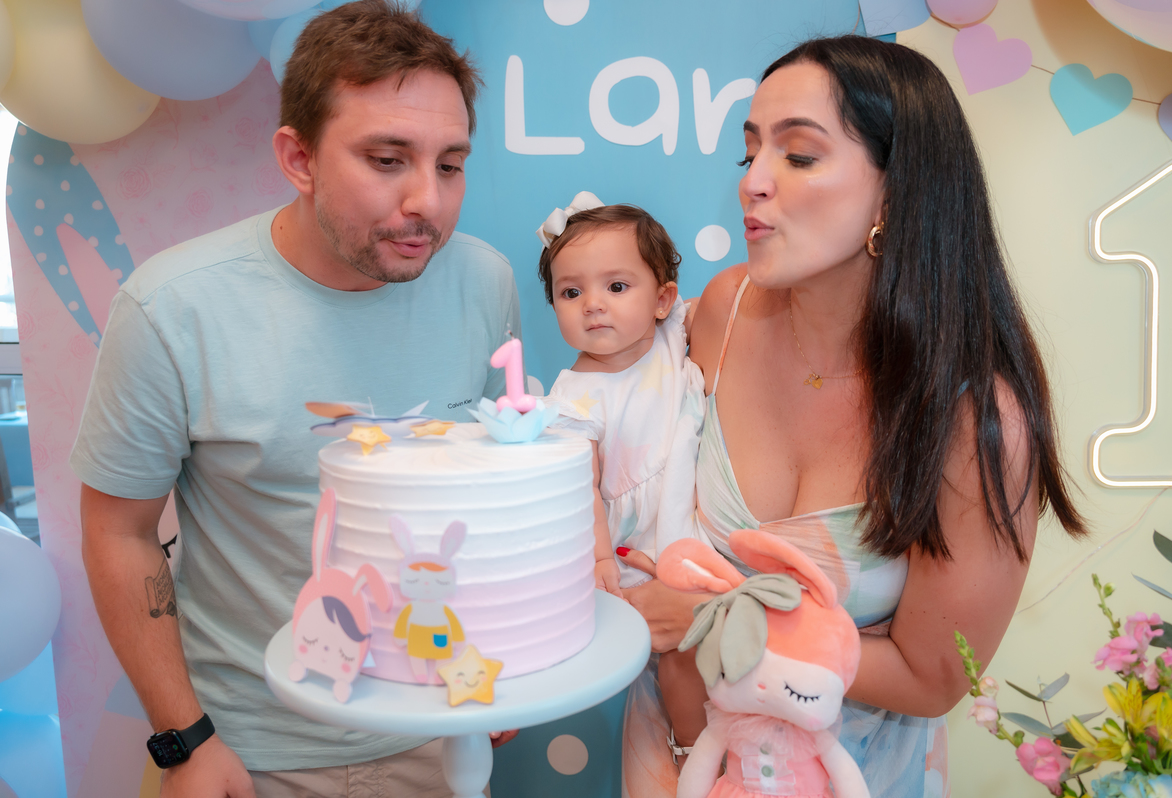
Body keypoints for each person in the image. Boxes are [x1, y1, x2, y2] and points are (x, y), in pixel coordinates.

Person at [620, 35, 1086, 797]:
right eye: (750, 153)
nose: (753, 183)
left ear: (898, 192)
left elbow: (933, 678)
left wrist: (714, 621)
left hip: (849, 774)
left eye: (799, 156)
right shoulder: (724, 312)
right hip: (674, 755)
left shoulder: (974, 417)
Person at [72, 3, 518, 796]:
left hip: (441, 725)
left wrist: (495, 659)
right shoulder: (172, 306)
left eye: (450, 165)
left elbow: (487, 502)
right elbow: (119, 533)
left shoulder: (485, 282)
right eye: (388, 159)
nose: (428, 200)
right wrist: (185, 741)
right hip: (253, 749)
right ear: (298, 158)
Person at [536, 196, 706, 596]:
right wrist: (599, 559)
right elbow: (582, 491)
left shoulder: (672, 332)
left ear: (661, 301)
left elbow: (729, 313)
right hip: (628, 549)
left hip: (695, 518)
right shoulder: (573, 402)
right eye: (571, 292)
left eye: (616, 287)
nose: (592, 305)